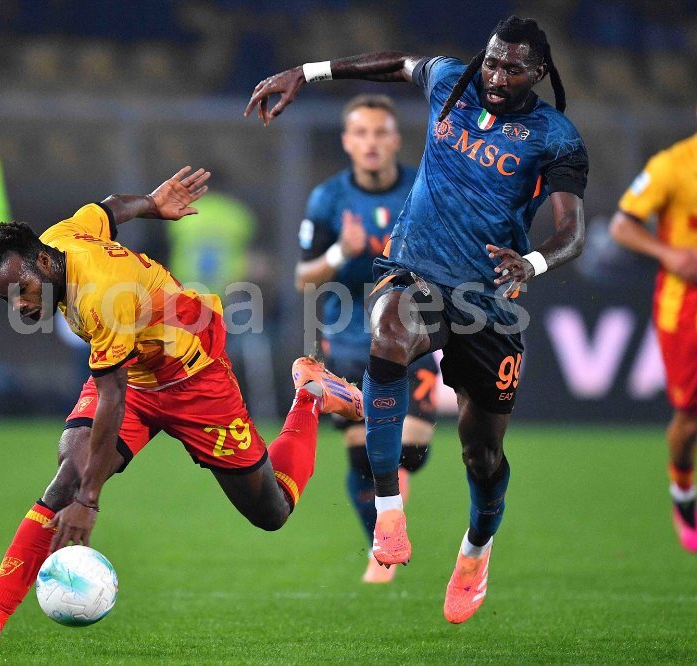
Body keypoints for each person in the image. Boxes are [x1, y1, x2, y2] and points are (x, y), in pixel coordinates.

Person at [0, 166, 364, 652]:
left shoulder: (99, 294)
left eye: (21, 292)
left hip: (193, 377)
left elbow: (111, 398)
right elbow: (110, 207)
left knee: (272, 511)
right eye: (6, 299)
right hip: (136, 374)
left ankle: (310, 395)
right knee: (67, 477)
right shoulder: (60, 239)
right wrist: (152, 204)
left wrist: (89, 502)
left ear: (45, 264)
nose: (19, 307)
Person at [247, 16, 589, 623]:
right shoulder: (452, 82)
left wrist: (533, 262)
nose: (495, 75)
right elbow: (396, 62)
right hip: (417, 269)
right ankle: (388, 512)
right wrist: (307, 71)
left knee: (482, 456)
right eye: (491, 61)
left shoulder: (555, 137)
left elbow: (572, 231)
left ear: (538, 73)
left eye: (512, 68)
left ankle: (476, 550)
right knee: (389, 335)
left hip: (487, 299)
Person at [294, 94, 438, 583]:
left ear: (396, 140)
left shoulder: (423, 189)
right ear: (347, 142)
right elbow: (303, 278)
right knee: (364, 459)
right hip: (350, 345)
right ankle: (383, 553)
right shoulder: (328, 198)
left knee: (409, 452)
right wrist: (340, 252)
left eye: (380, 132)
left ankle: (387, 530)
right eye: (361, 133)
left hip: (411, 339)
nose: (371, 142)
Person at [609, 78, 697, 564]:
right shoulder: (673, 165)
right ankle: (682, 487)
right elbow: (621, 225)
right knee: (691, 421)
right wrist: (669, 254)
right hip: (683, 314)